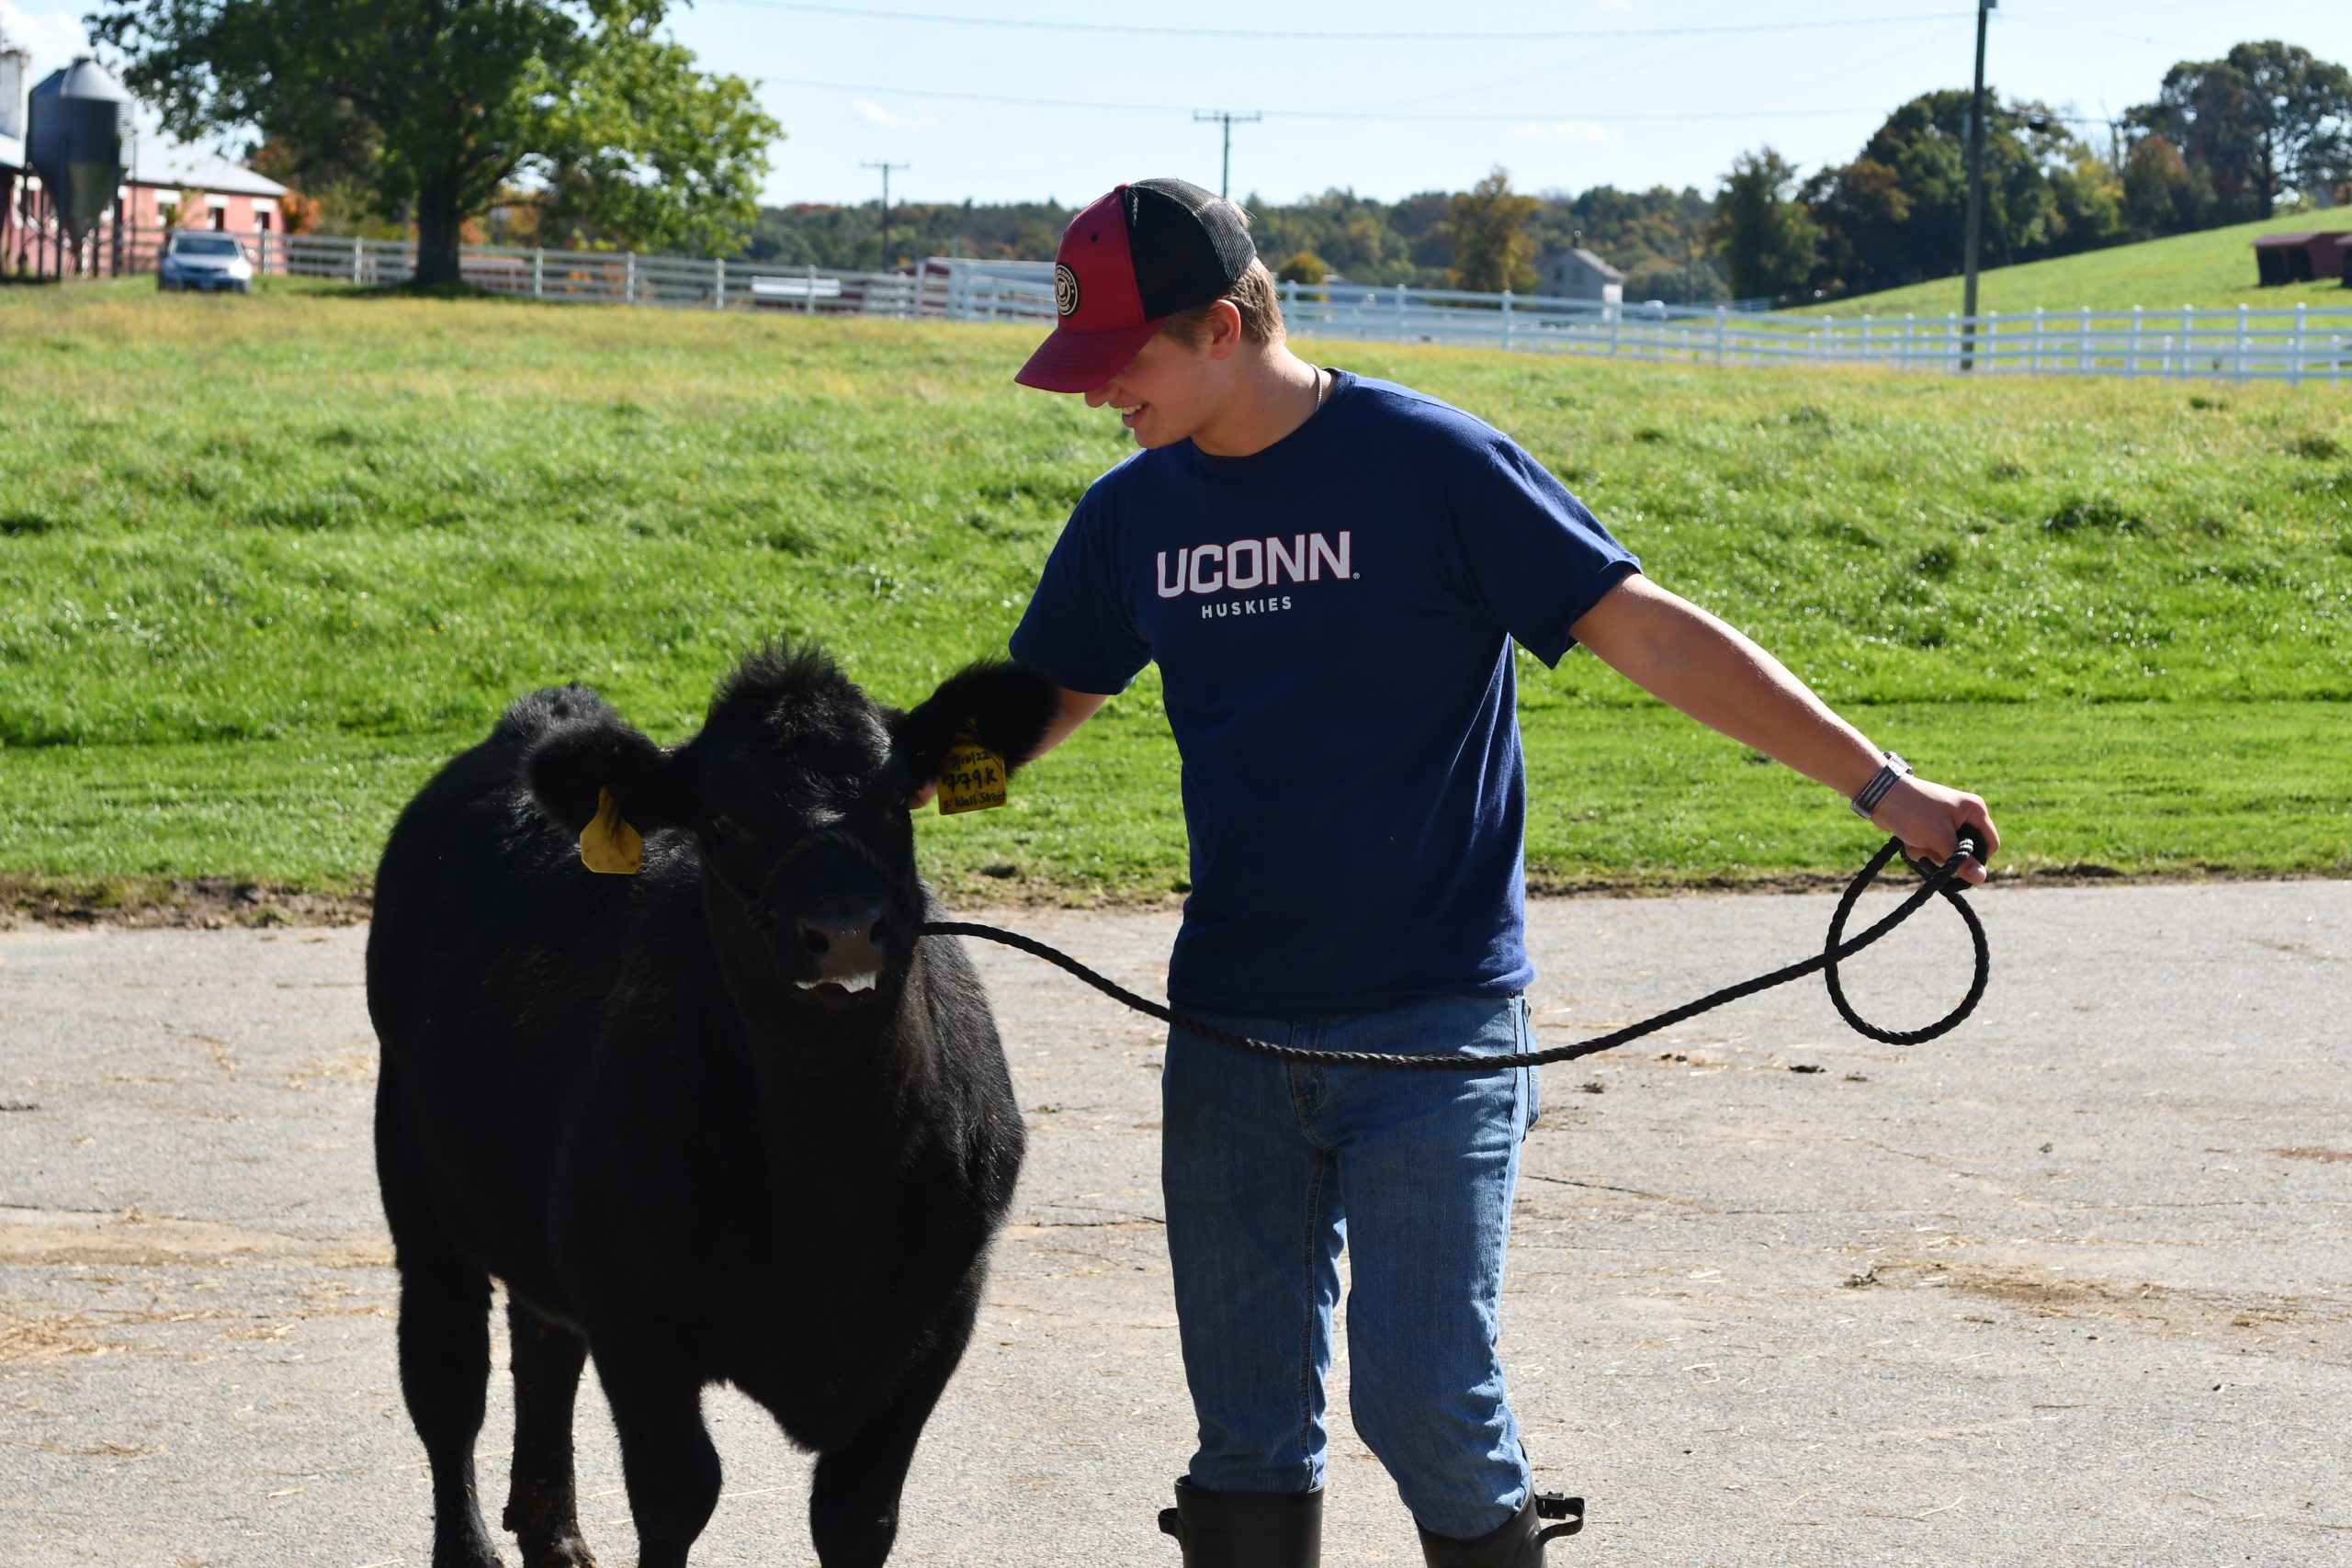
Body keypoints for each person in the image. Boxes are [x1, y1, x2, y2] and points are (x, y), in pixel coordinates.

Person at [991, 178, 1998, 1568]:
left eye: (1122, 364)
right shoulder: (1132, 518)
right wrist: (868, 811)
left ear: (1221, 327)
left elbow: (1649, 635)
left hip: (1436, 1025)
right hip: (1227, 1027)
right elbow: (1027, 716)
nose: (1100, 396)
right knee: (1246, 1433)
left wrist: (1881, 788)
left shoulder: (1429, 465)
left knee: (1422, 1400)